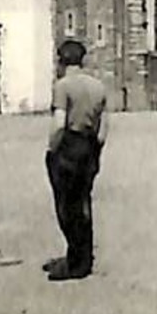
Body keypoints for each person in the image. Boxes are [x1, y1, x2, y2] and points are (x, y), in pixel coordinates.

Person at [43, 38, 108, 281]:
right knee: (83, 203)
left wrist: (52, 149)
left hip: (68, 146)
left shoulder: (63, 86)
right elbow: (104, 128)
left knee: (66, 207)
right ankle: (85, 258)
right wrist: (95, 152)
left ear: (62, 61)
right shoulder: (98, 87)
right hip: (89, 147)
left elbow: (59, 122)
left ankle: (74, 262)